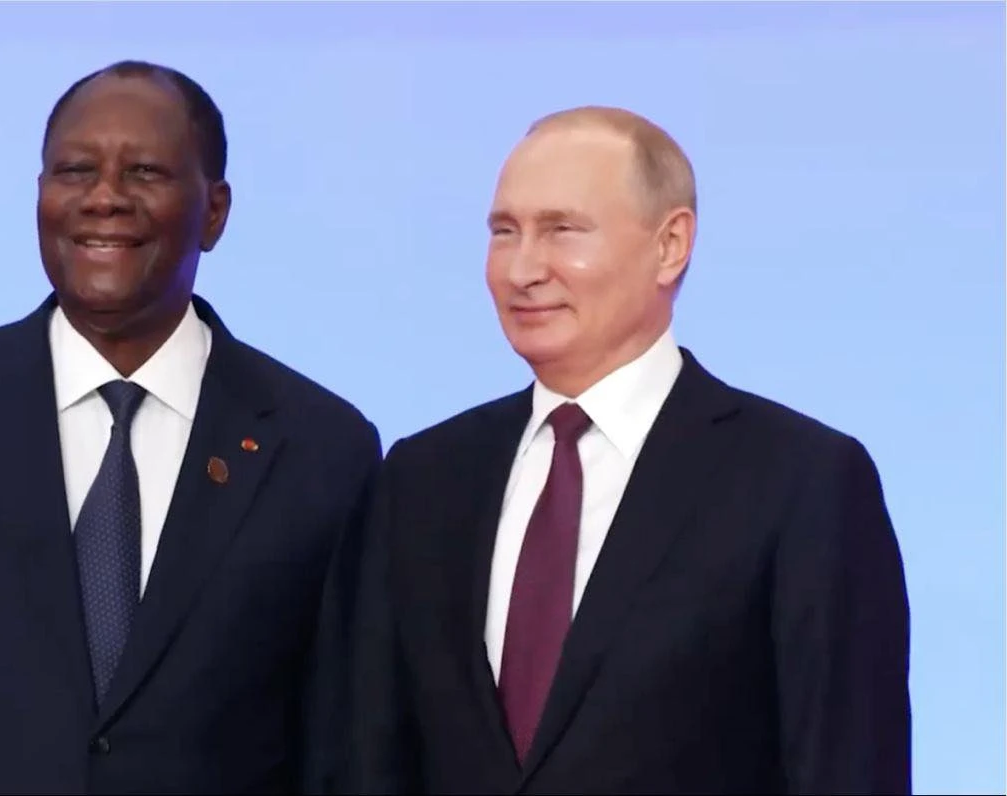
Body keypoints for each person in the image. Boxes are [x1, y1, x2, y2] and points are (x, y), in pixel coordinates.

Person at [0, 60, 380, 794]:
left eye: (145, 172)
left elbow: (345, 749)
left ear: (215, 211)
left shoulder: (321, 447)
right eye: (75, 171)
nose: (105, 197)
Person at [345, 106, 911, 794]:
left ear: (671, 245)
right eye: (504, 232)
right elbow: (370, 756)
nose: (522, 269)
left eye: (562, 230)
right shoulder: (424, 478)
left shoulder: (800, 482)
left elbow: (847, 768)